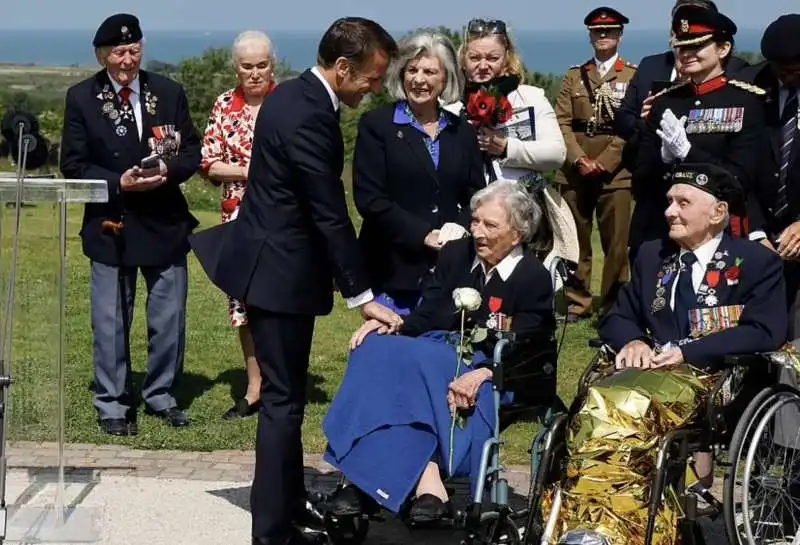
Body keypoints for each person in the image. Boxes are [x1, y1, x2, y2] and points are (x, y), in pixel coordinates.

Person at [189, 17, 400, 545]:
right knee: (282, 404)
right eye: (372, 77)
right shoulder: (308, 113)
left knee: (285, 400)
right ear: (343, 66)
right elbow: (328, 211)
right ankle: (272, 532)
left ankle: (285, 510)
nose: (376, 87)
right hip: (279, 273)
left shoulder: (292, 99)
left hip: (271, 267)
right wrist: (363, 297)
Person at [322, 180, 556, 522]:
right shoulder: (455, 254)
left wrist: (488, 371)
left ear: (518, 234)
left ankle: (363, 482)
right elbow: (428, 313)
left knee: (413, 369)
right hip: (433, 351)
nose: (478, 232)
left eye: (490, 225)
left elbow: (532, 342)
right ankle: (429, 486)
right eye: (475, 221)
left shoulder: (532, 276)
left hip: (489, 366)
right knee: (374, 348)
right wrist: (394, 325)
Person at [599, 162, 787, 492]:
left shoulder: (756, 262)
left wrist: (686, 352)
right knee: (599, 404)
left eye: (683, 203)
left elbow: (764, 330)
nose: (670, 212)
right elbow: (617, 316)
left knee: (621, 405)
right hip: (648, 374)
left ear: (717, 212)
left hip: (715, 379)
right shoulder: (652, 255)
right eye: (669, 202)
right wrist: (632, 342)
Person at [60, 13, 201, 436]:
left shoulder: (168, 91)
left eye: (134, 49)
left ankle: (160, 395)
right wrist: (117, 182)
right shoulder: (82, 97)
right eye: (119, 52)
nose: (128, 59)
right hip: (111, 223)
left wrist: (168, 172)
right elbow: (73, 164)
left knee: (169, 317)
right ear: (103, 55)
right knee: (110, 320)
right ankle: (113, 403)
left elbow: (190, 151)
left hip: (164, 221)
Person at [352, 29, 485, 316]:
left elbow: (477, 193)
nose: (419, 79)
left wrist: (459, 228)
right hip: (391, 265)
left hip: (449, 265)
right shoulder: (377, 125)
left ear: (445, 78)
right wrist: (423, 234)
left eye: (429, 71)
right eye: (412, 70)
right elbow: (370, 199)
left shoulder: (461, 130)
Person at [629, 5, 768, 263]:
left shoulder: (745, 101)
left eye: (697, 46)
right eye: (682, 47)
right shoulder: (664, 102)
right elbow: (641, 177)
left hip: (718, 229)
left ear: (722, 49)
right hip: (664, 227)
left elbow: (741, 178)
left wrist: (688, 154)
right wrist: (664, 160)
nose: (687, 54)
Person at [200, 30, 277, 420]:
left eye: (261, 65)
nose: (255, 73)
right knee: (243, 304)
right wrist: (251, 169)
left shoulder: (289, 103)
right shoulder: (223, 106)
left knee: (278, 300)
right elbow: (209, 163)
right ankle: (254, 386)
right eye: (247, 66)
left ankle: (280, 384)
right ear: (237, 67)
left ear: (273, 64)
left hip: (282, 220)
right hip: (236, 219)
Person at [553, 7, 637, 323]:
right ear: (590, 35)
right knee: (576, 239)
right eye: (598, 31)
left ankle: (614, 305)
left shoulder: (633, 75)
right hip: (575, 168)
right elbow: (560, 121)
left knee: (616, 243)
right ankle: (577, 302)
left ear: (620, 35)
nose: (604, 36)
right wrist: (578, 159)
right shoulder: (574, 75)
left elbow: (633, 126)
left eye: (610, 31)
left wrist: (603, 162)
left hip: (616, 170)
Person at [739, 15, 800, 339]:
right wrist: (755, 230)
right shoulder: (751, 89)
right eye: (782, 68)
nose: (789, 76)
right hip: (759, 229)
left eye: (796, 67)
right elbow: (738, 167)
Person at [446, 18, 566, 182]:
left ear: (506, 59)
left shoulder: (530, 98)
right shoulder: (449, 106)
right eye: (474, 58)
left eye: (492, 58)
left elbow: (556, 154)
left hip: (521, 201)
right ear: (463, 60)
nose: (483, 66)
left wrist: (507, 148)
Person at [615, 0, 749, 143]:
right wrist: (648, 120)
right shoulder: (649, 66)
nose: (687, 53)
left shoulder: (739, 71)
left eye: (697, 45)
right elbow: (623, 120)